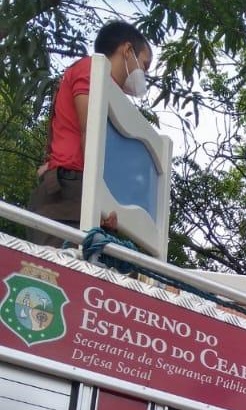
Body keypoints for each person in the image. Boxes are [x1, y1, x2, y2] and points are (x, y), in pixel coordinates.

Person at [26, 21, 153, 248]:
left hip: (81, 189)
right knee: (56, 272)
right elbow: (90, 131)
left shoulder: (113, 95)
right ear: (127, 51)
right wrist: (100, 197)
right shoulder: (91, 69)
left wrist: (105, 203)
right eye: (144, 64)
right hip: (68, 192)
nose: (143, 73)